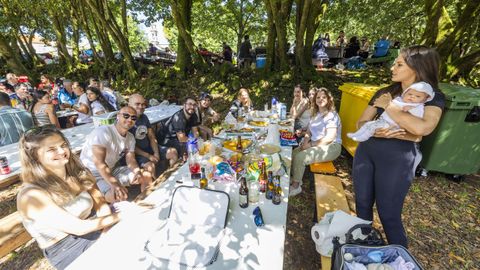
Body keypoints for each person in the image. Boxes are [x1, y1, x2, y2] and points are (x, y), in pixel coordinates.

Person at [352, 46, 445, 247]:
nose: (393, 67)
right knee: (362, 205)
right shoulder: (385, 92)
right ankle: (364, 249)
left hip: (398, 159)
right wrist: (373, 129)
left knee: (389, 213)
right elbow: (359, 123)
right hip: (366, 152)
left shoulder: (431, 96)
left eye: (399, 64)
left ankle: (401, 260)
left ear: (417, 67)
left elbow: (423, 128)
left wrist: (390, 107)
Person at [16, 126, 121, 270]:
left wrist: (106, 231)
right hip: (68, 248)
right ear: (35, 157)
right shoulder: (31, 195)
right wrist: (123, 215)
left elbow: (101, 205)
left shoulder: (79, 173)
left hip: (96, 225)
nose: (61, 151)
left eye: (63, 145)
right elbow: (78, 228)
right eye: (51, 149)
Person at [80, 106, 152, 202]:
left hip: (111, 170)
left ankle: (147, 201)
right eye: (126, 116)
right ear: (118, 116)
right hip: (92, 174)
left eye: (133, 118)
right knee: (119, 195)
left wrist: (137, 172)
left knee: (146, 175)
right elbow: (99, 163)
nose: (130, 119)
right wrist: (115, 184)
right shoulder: (103, 132)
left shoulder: (130, 138)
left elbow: (131, 160)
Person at [289, 88, 342, 196]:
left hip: (331, 147)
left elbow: (330, 137)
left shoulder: (331, 115)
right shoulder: (316, 113)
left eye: (323, 97)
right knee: (294, 153)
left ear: (328, 99)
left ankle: (295, 187)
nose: (320, 99)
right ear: (315, 99)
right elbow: (309, 131)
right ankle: (297, 179)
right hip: (317, 143)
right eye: (318, 97)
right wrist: (305, 142)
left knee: (300, 157)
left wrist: (310, 145)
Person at [348, 81, 434, 142]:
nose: (412, 97)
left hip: (393, 127)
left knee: (372, 128)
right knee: (368, 125)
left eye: (417, 96)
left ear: (424, 99)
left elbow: (418, 134)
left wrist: (405, 109)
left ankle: (361, 136)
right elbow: (360, 122)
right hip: (382, 122)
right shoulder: (397, 98)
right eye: (410, 94)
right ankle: (358, 135)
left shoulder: (418, 107)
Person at [128, 94, 178, 175]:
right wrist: (148, 156)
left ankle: (171, 176)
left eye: (143, 104)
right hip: (136, 154)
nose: (141, 106)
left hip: (149, 148)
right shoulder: (126, 121)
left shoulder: (144, 117)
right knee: (150, 166)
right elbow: (130, 147)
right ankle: (156, 185)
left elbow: (151, 136)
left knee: (173, 152)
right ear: (129, 105)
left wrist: (156, 153)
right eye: (137, 104)